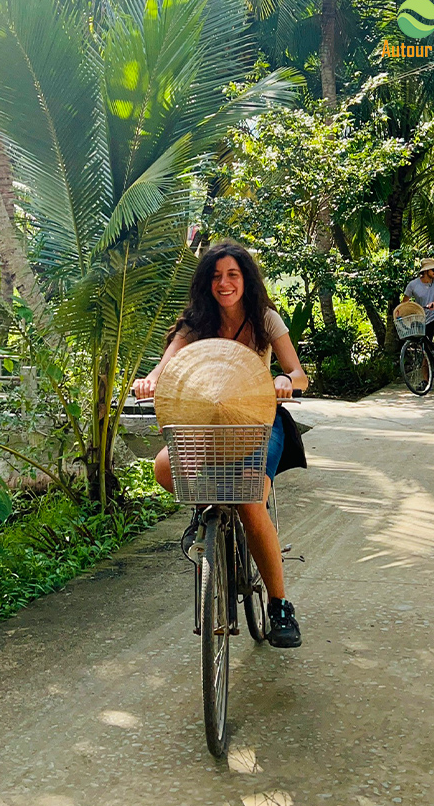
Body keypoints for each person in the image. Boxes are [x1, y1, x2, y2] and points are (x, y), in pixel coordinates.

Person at [133, 241, 309, 648]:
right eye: (215, 276)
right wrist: (151, 379)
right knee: (164, 466)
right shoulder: (195, 323)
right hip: (207, 427)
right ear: (206, 283)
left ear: (245, 278)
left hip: (258, 423)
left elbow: (298, 373)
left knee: (250, 502)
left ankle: (280, 605)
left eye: (232, 274)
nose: (224, 283)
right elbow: (167, 364)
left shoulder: (265, 320)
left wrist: (285, 381)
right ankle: (207, 512)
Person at [401, 258, 434, 359]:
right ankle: (428, 373)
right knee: (426, 354)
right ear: (425, 271)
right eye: (433, 270)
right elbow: (405, 302)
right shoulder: (413, 285)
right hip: (423, 318)